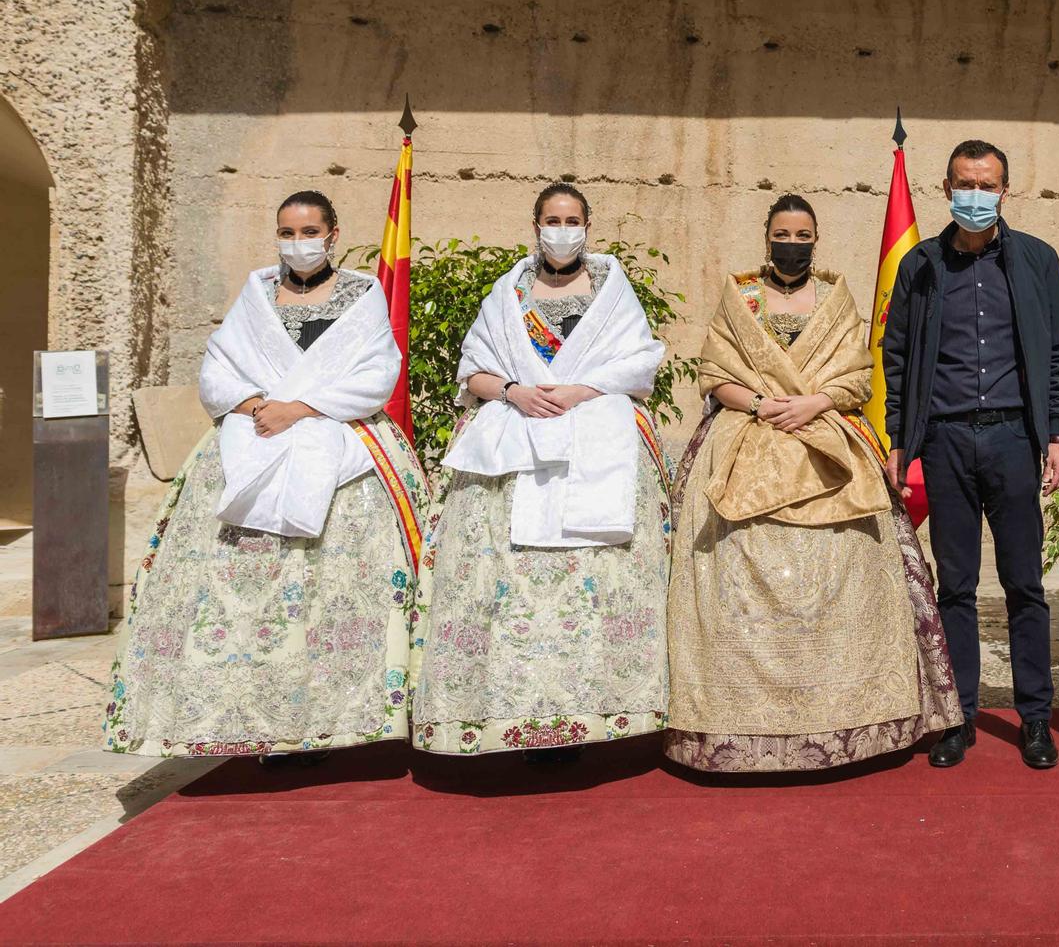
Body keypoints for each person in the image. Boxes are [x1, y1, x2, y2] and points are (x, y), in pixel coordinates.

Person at [104, 191, 429, 760]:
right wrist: (255, 407)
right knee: (239, 592)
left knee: (337, 591)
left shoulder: (362, 293)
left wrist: (298, 409)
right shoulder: (256, 293)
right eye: (286, 231)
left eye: (309, 231)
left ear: (332, 233)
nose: (297, 242)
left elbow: (378, 371)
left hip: (344, 441)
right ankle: (251, 719)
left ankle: (340, 716)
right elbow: (220, 366)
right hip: (252, 436)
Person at [664, 194, 960, 771]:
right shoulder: (740, 297)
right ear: (766, 234)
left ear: (815, 239)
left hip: (826, 437)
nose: (792, 243)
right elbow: (715, 371)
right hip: (745, 433)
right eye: (783, 233)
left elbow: (857, 373)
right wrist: (758, 403)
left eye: (803, 235)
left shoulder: (836, 299)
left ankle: (856, 718)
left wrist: (814, 403)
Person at [410, 184, 672, 758]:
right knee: (509, 585)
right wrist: (514, 391)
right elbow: (473, 370)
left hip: (595, 439)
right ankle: (510, 709)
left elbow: (639, 362)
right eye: (552, 219)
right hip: (513, 450)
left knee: (592, 586)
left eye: (572, 220)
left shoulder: (612, 291)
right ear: (535, 225)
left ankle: (592, 710)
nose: (561, 230)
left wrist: (582, 389)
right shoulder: (508, 294)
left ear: (587, 226)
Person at [881, 139, 1059, 769]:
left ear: (1005, 191)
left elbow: (1051, 358)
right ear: (946, 187)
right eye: (966, 183)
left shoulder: (1038, 261)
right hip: (945, 440)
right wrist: (899, 442)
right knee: (955, 586)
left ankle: (1034, 718)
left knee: (1025, 584)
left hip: (1015, 438)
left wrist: (1056, 436)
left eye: (987, 185)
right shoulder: (922, 266)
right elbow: (898, 357)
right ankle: (957, 716)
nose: (976, 196)